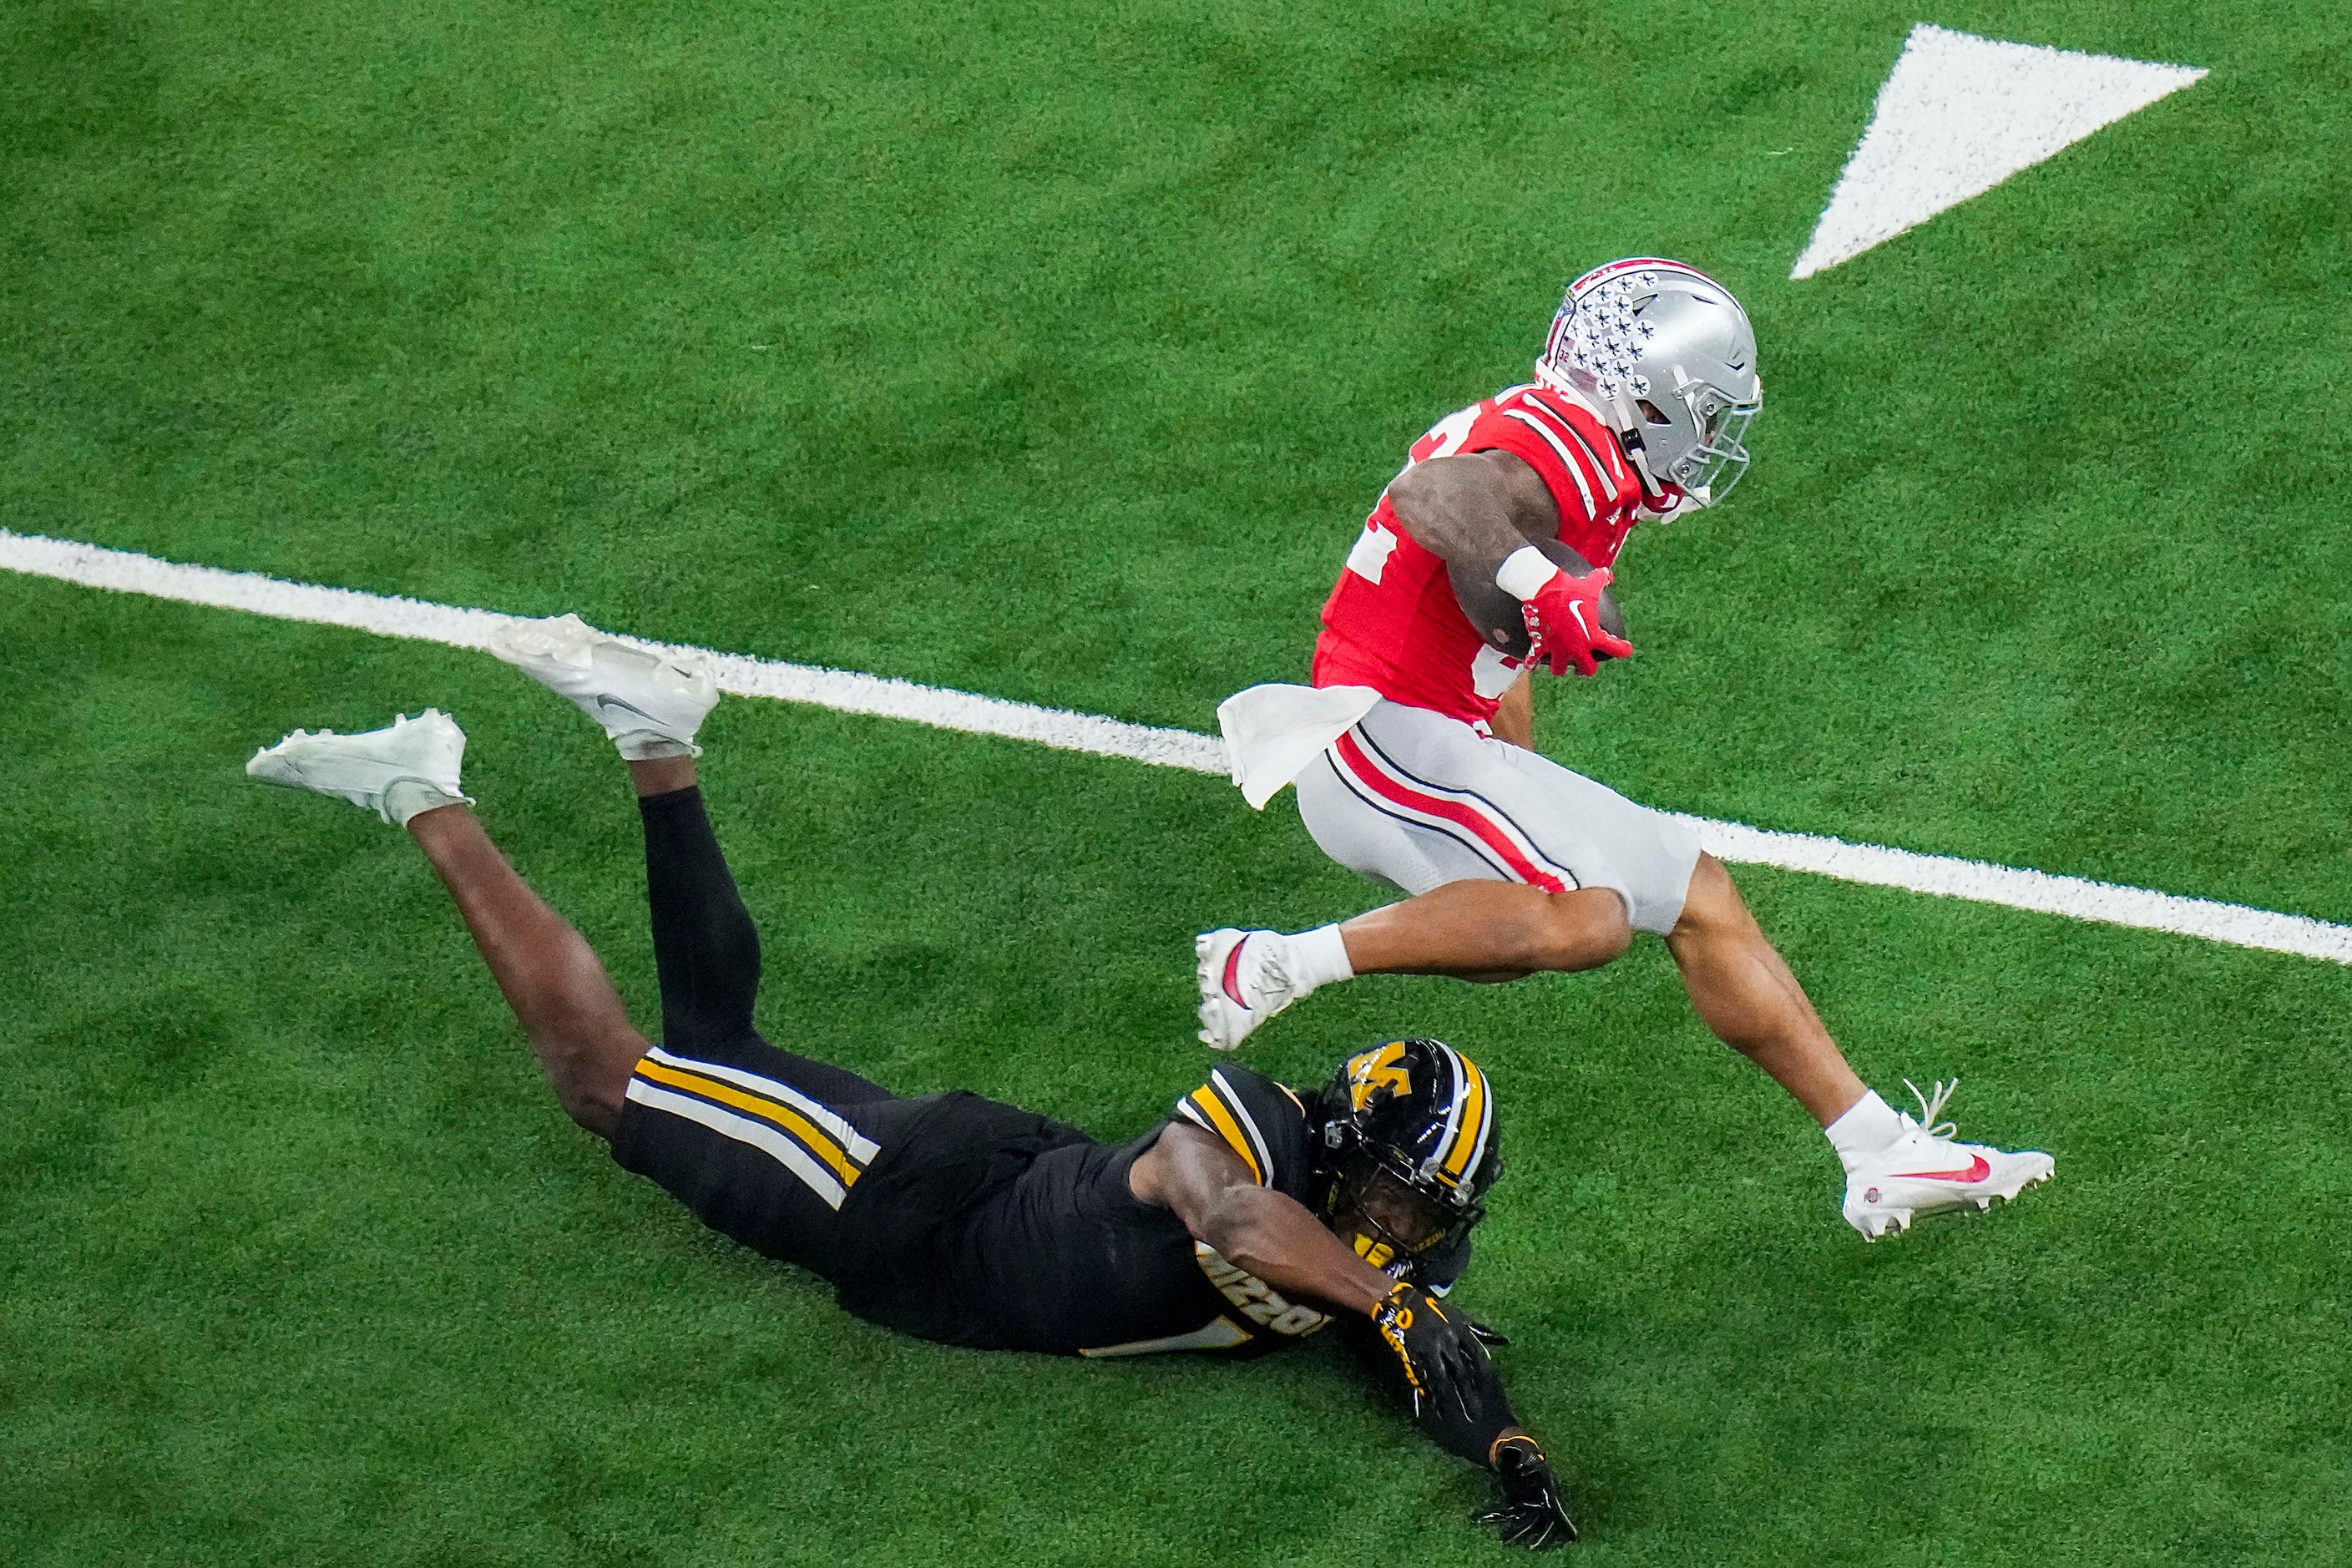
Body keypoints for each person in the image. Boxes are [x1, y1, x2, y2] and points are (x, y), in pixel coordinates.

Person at [245, 614, 1577, 1550]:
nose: (1407, 1236)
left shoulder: (1368, 1257)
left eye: (1423, 1222)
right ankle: (421, 787)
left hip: (965, 1188)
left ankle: (655, 740)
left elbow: (1419, 1351)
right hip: (902, 1204)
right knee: (611, 1083)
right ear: (1342, 1141)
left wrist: (1509, 1449)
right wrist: (1380, 1297)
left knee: (716, 1038)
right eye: (1401, 1205)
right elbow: (1218, 1207)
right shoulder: (1268, 1135)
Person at [1195, 258, 2052, 1241]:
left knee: (1691, 893)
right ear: (1653, 396)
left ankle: (1876, 1150)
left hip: (1431, 735)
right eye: (1711, 415)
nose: (1715, 441)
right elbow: (1439, 493)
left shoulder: (1590, 453)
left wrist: (1517, 730)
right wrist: (1533, 577)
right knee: (1588, 919)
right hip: (1371, 734)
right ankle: (1271, 964)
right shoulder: (1565, 441)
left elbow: (1487, 625)